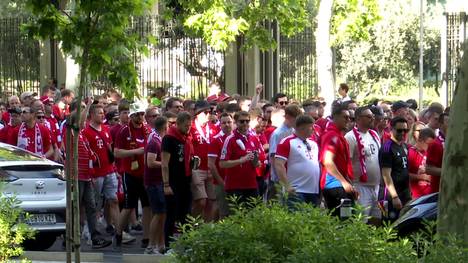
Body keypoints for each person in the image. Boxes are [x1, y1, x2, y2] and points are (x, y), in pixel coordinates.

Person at [114, 103, 151, 249]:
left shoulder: (147, 130)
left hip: (145, 173)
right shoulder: (124, 131)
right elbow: (117, 152)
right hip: (129, 173)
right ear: (132, 116)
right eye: (137, 114)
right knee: (129, 205)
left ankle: (146, 238)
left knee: (147, 205)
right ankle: (118, 233)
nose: (140, 117)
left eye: (142, 114)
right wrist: (136, 152)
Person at [82, 104, 121, 242]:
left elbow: (110, 150)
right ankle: (90, 229)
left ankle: (119, 232)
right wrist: (90, 174)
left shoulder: (106, 129)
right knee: (95, 204)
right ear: (91, 115)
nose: (102, 115)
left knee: (113, 200)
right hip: (96, 173)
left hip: (109, 171)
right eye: (99, 113)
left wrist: (114, 168)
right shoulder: (86, 131)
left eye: (103, 113)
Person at [161, 112, 193, 248]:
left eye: (190, 126)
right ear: (178, 124)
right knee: (171, 215)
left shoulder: (186, 138)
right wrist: (166, 184)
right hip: (173, 182)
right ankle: (168, 245)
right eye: (186, 125)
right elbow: (164, 163)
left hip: (185, 180)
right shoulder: (169, 138)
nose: (188, 128)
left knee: (186, 214)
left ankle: (186, 243)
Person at [345, 106, 382, 224]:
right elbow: (347, 163)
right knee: (361, 221)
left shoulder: (374, 134)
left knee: (378, 219)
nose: (372, 119)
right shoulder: (350, 137)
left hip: (376, 186)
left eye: (373, 116)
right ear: (358, 119)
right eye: (369, 116)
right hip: (360, 186)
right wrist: (350, 185)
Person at [275, 115, 321, 207]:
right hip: (296, 190)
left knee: (313, 220)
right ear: (302, 127)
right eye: (311, 127)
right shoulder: (287, 142)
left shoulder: (314, 144)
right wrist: (286, 185)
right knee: (296, 219)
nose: (314, 129)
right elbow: (279, 165)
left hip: (313, 191)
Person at [320, 101, 356, 216]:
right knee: (342, 221)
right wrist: (344, 182)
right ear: (335, 117)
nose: (348, 120)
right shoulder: (332, 136)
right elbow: (328, 161)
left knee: (347, 219)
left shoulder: (339, 136)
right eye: (345, 117)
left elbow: (343, 165)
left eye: (350, 118)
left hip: (340, 184)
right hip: (333, 185)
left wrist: (348, 183)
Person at [219, 111, 262, 205]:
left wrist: (256, 161)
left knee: (255, 215)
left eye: (247, 121)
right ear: (236, 123)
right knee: (238, 217)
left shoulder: (254, 138)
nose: (245, 124)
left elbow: (258, 163)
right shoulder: (230, 139)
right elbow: (222, 164)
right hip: (235, 186)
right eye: (242, 121)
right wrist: (241, 160)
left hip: (251, 184)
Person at [189, 100, 219, 221]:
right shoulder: (190, 127)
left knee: (211, 201)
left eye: (209, 112)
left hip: (211, 168)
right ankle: (192, 226)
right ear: (197, 113)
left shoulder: (213, 128)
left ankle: (207, 230)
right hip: (197, 169)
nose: (208, 114)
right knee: (201, 201)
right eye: (205, 112)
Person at [380, 116, 411, 221]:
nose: (403, 133)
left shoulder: (404, 147)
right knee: (390, 226)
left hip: (405, 193)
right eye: (399, 130)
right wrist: (394, 196)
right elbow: (386, 175)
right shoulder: (387, 148)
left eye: (405, 130)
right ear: (391, 129)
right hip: (391, 195)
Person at [144, 116, 168, 254]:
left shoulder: (160, 141)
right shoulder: (154, 142)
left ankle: (161, 244)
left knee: (163, 214)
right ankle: (150, 245)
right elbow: (150, 162)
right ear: (165, 127)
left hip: (159, 182)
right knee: (158, 213)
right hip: (153, 183)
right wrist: (166, 163)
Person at [268, 105, 302, 199]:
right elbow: (273, 158)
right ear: (287, 117)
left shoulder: (294, 131)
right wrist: (278, 177)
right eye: (295, 119)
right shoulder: (277, 134)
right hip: (278, 178)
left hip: (291, 176)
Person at [207, 112, 234, 219]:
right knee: (224, 213)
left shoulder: (237, 138)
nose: (227, 125)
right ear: (220, 124)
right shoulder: (216, 140)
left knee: (235, 212)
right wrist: (221, 182)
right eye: (224, 123)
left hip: (235, 182)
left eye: (229, 122)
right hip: (221, 182)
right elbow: (211, 164)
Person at [426, 112, 449, 194]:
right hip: (439, 191)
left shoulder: (453, 143)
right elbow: (429, 169)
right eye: (448, 122)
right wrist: (449, 171)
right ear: (440, 125)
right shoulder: (435, 144)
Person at [409, 128, 436, 199]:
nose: (431, 146)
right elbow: (405, 175)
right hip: (417, 196)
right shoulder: (411, 152)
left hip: (431, 194)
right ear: (420, 140)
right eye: (428, 144)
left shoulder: (430, 152)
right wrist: (423, 177)